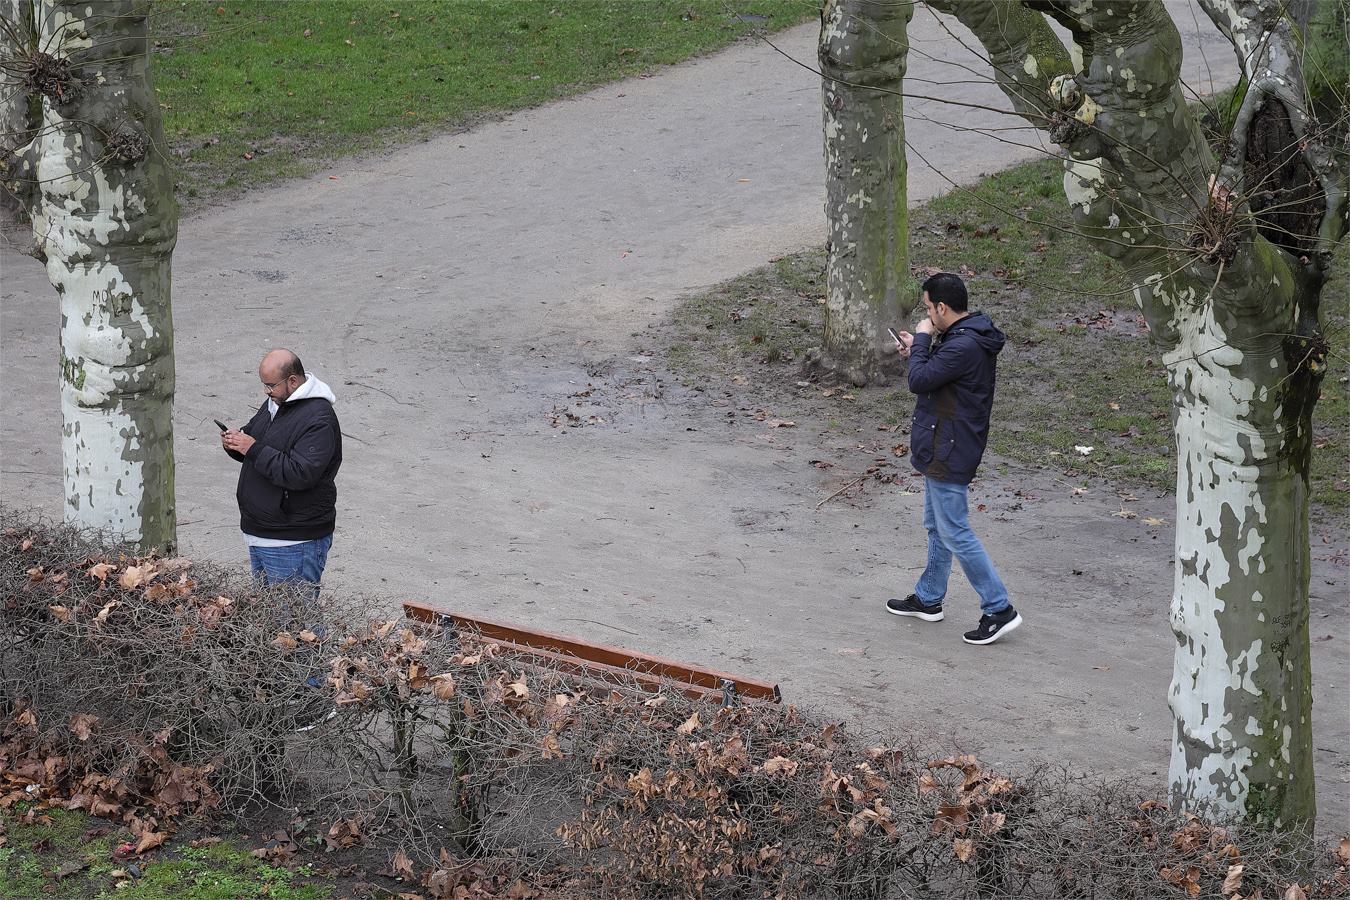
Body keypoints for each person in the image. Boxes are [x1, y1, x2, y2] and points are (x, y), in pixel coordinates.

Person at [889, 273, 1021, 645]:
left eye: (929, 309)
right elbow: (935, 371)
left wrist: (922, 340)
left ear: (942, 308)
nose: (927, 314)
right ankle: (929, 599)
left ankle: (998, 607)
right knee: (937, 525)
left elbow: (920, 380)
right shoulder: (965, 338)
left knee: (955, 531)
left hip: (950, 447)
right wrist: (920, 345)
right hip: (944, 443)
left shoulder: (963, 345)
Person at [221, 349, 341, 729]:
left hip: (294, 538)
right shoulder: (277, 404)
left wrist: (252, 449)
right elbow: (260, 445)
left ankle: (313, 699)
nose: (267, 392)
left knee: (298, 618)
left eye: (270, 385)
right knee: (275, 618)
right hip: (262, 531)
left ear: (293, 381)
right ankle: (283, 688)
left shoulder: (318, 418)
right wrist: (238, 445)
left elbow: (300, 473)